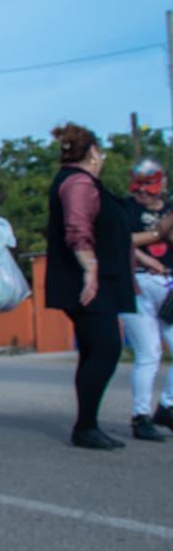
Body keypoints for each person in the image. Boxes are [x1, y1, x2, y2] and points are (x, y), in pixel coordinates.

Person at [46, 123, 136, 450]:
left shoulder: (79, 181)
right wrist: (90, 268)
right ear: (94, 152)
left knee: (93, 350)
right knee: (107, 347)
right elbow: (77, 227)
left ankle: (87, 424)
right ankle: (85, 427)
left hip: (96, 281)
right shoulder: (79, 183)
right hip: (87, 283)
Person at [118, 158, 173, 440]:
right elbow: (121, 240)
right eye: (139, 185)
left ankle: (166, 406)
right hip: (136, 282)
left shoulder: (168, 209)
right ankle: (141, 416)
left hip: (168, 285)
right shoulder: (126, 209)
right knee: (149, 353)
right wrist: (149, 246)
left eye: (149, 185)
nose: (143, 191)